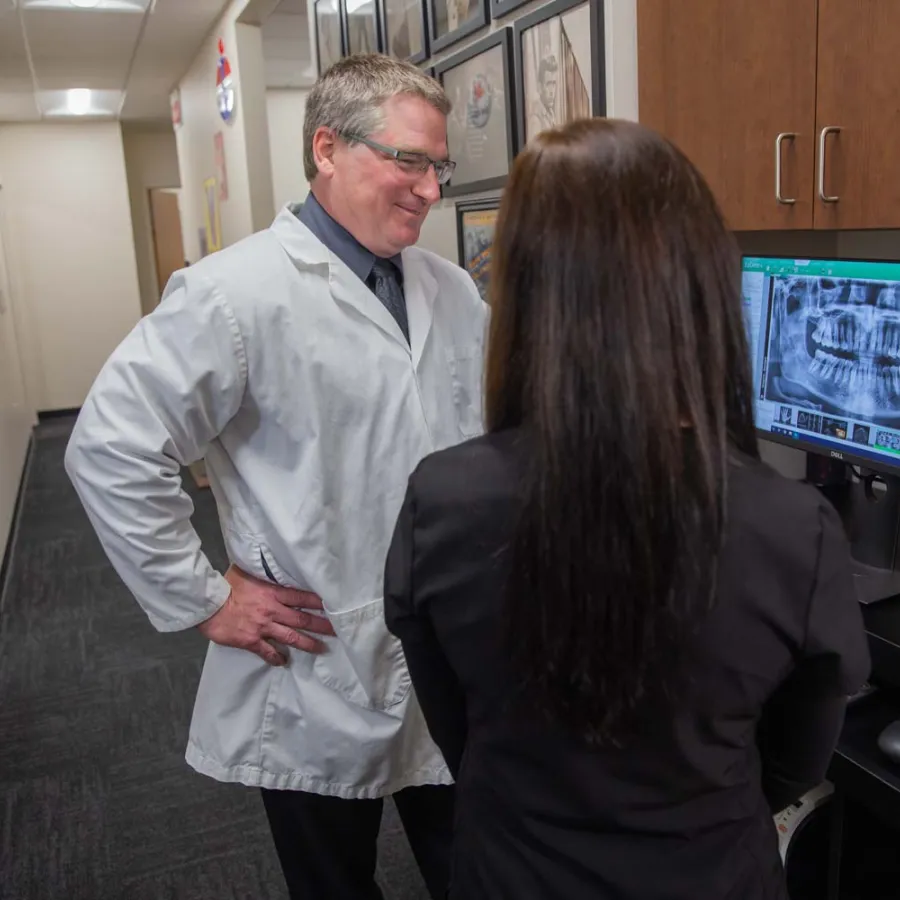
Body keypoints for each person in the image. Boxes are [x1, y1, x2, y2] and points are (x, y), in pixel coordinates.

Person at [384, 118, 870, 900]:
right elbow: (794, 762)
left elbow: (459, 728)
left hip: (511, 870)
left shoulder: (440, 501)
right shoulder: (791, 529)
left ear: (522, 296)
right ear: (701, 286)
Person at [65, 54, 488, 900]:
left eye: (439, 166)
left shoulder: (450, 289)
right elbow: (110, 447)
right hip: (315, 659)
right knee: (333, 883)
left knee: (479, 870)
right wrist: (206, 597)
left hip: (452, 648)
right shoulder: (233, 294)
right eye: (407, 160)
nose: (430, 190)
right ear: (327, 148)